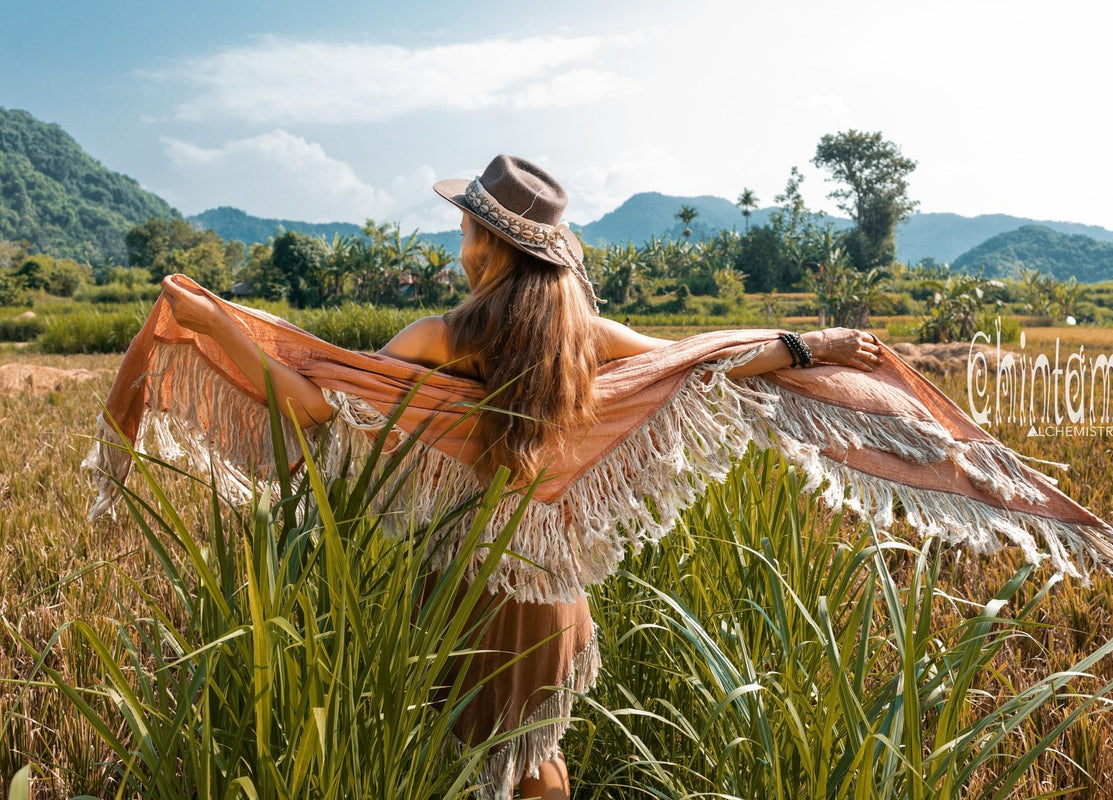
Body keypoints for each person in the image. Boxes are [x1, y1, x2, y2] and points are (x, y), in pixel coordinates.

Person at [158, 154, 884, 799]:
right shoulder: (583, 341)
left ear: (488, 243)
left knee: (464, 763)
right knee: (538, 760)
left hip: (463, 587)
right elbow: (694, 362)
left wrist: (222, 326)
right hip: (549, 589)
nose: (462, 243)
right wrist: (804, 345)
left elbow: (320, 407)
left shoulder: (441, 339)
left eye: (468, 229)